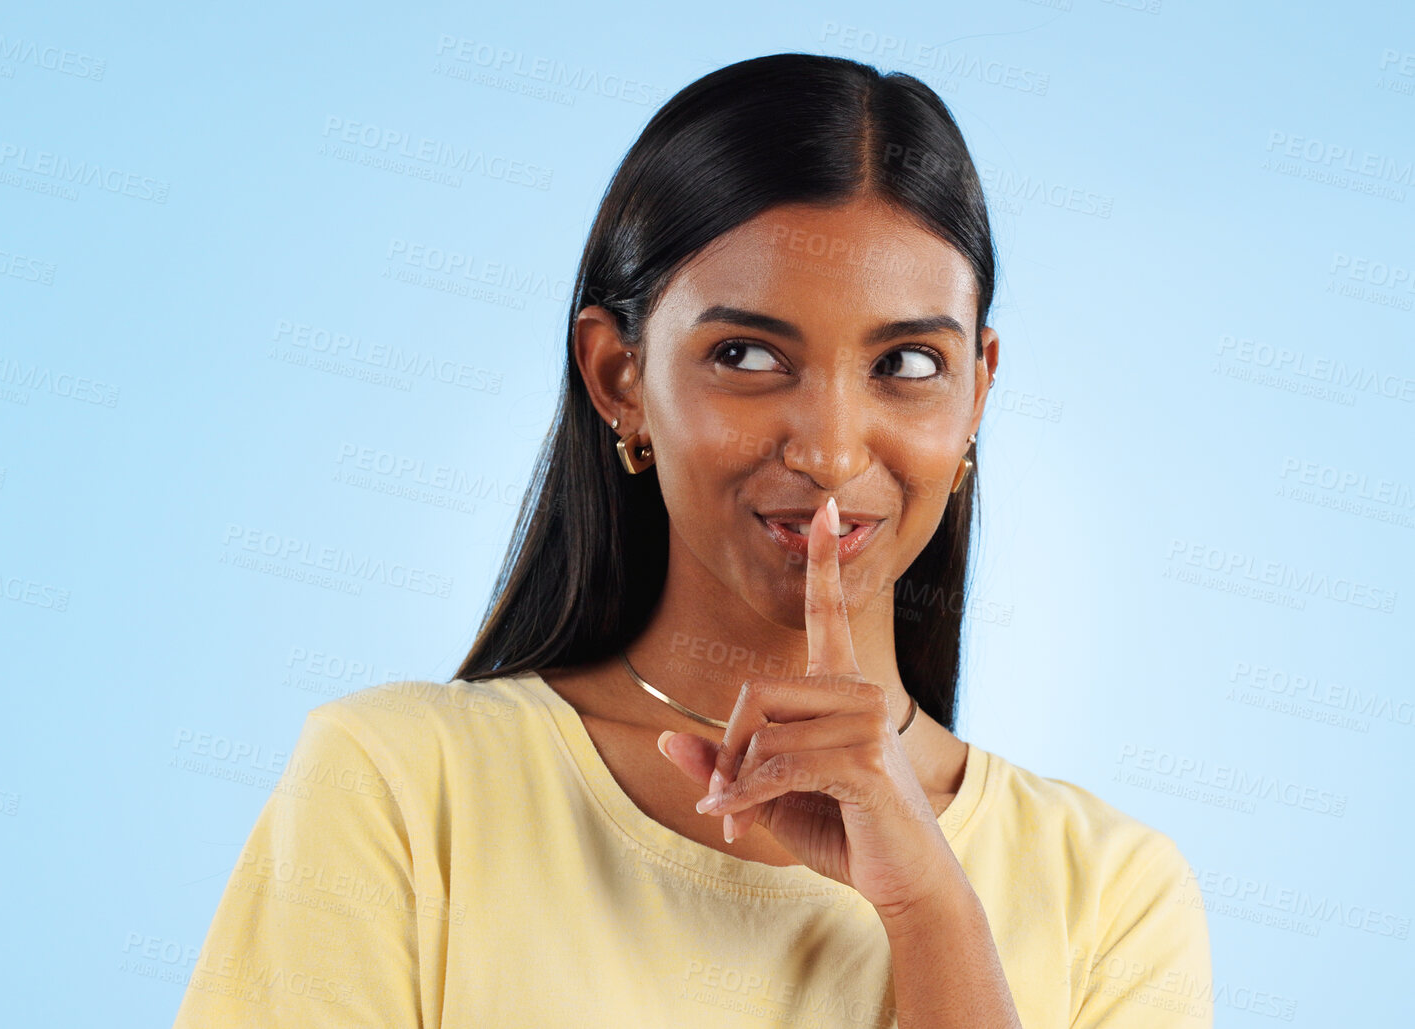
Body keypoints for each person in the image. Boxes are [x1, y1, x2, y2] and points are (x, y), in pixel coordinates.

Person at [172, 52, 1210, 1028]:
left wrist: (934, 912)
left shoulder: (1112, 891)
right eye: (748, 354)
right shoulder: (402, 788)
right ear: (619, 379)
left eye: (906, 365)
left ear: (979, 388)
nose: (832, 452)